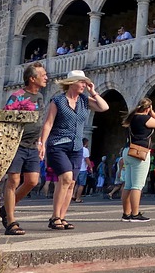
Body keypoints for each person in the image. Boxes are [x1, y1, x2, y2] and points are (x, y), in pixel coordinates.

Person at [39, 70, 109, 230]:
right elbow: (48, 123)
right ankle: (54, 217)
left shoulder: (84, 100)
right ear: (72, 83)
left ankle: (62, 217)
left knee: (71, 183)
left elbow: (104, 107)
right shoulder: (57, 100)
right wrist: (42, 143)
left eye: (85, 82)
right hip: (58, 144)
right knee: (65, 177)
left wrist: (93, 92)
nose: (84, 85)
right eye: (82, 82)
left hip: (76, 146)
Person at [0, 62, 48, 235]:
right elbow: (6, 118)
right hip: (17, 144)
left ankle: (6, 208)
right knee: (13, 181)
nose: (46, 77)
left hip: (33, 145)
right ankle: (11, 221)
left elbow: (41, 122)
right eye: (43, 75)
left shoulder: (40, 97)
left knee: (33, 181)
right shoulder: (17, 96)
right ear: (32, 78)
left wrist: (41, 143)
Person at [121, 98, 155, 222]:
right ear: (147, 108)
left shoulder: (132, 118)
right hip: (139, 152)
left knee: (128, 185)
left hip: (128, 150)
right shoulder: (144, 118)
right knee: (137, 185)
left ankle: (126, 213)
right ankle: (135, 214)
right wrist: (152, 112)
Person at [72, 137, 91, 203]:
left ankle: (73, 195)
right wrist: (90, 167)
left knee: (77, 183)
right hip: (83, 169)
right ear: (86, 143)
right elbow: (87, 159)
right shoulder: (85, 150)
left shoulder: (77, 149)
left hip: (76, 168)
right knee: (81, 184)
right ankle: (78, 198)